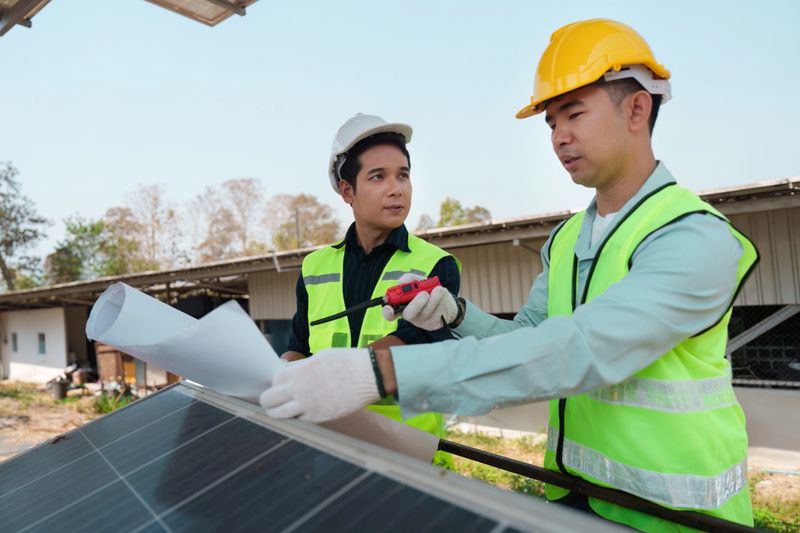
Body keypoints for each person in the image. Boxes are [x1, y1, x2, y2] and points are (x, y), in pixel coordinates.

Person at [261, 20, 757, 530]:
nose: (559, 137)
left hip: (679, 517)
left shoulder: (693, 238)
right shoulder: (566, 240)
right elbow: (527, 337)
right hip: (574, 500)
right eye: (550, 124)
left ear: (636, 108)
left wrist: (379, 374)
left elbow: (577, 351)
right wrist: (457, 314)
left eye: (574, 114)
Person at [279, 113, 461, 464]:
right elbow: (298, 345)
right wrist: (278, 381)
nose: (397, 188)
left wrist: (339, 373)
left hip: (410, 458)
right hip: (327, 454)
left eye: (403, 175)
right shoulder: (314, 268)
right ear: (348, 191)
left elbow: (418, 340)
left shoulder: (437, 266)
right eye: (378, 177)